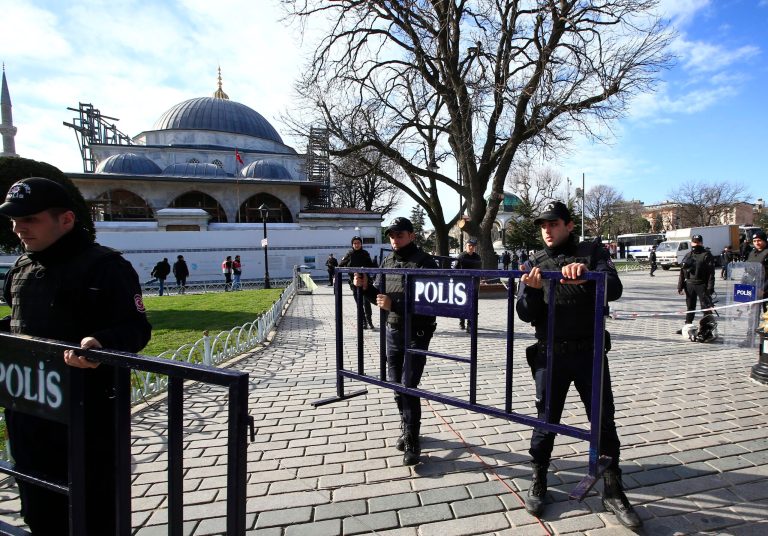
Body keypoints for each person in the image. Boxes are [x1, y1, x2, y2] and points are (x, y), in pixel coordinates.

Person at [0, 177, 152, 535]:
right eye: (14, 221)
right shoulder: (22, 267)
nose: (19, 229)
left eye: (30, 220)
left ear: (65, 219)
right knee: (39, 510)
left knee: (92, 511)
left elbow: (136, 329)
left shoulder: (106, 267)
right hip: (29, 411)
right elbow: (20, 321)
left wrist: (101, 344)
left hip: (86, 417)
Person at [516, 201, 640, 528]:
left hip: (589, 354)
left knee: (603, 421)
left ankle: (613, 489)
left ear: (569, 225)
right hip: (550, 355)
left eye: (554, 223)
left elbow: (614, 287)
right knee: (545, 421)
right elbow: (525, 313)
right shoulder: (534, 263)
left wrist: (588, 275)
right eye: (543, 224)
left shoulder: (592, 252)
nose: (547, 229)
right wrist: (529, 291)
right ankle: (539, 479)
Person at [353, 217, 438, 466]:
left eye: (399, 235)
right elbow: (380, 298)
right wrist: (366, 287)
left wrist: (395, 305)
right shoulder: (388, 261)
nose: (394, 239)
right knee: (396, 384)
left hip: (417, 332)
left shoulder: (424, 262)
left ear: (412, 236)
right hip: (392, 330)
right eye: (391, 235)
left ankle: (413, 439)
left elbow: (430, 303)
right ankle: (406, 425)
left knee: (408, 385)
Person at [677, 234, 715, 334]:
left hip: (702, 284)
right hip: (689, 284)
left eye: (698, 242)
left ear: (701, 243)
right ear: (691, 243)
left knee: (705, 307)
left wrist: (710, 287)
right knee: (690, 306)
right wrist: (680, 286)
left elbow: (711, 273)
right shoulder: (688, 254)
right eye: (694, 242)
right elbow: (682, 271)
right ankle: (687, 326)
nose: (696, 244)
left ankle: (706, 328)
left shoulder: (706, 255)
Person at [339, 236, 376, 329]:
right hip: (354, 283)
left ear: (361, 244)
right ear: (352, 244)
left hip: (365, 283)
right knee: (359, 304)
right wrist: (351, 271)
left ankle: (369, 321)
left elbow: (371, 266)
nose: (356, 245)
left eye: (358, 243)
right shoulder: (349, 254)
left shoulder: (365, 253)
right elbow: (340, 265)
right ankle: (363, 322)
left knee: (366, 303)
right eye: (354, 243)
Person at [454, 237, 482, 332]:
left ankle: (470, 324)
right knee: (463, 304)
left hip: (474, 284)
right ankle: (461, 321)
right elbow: (455, 270)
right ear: (466, 246)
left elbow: (479, 271)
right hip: (462, 284)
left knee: (473, 304)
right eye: (469, 246)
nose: (471, 248)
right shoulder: (461, 257)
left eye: (473, 246)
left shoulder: (477, 257)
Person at [746, 230, 768, 313]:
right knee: (753, 313)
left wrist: (763, 289)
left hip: (765, 289)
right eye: (754, 241)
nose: (757, 243)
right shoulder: (752, 253)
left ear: (764, 240)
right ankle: (752, 326)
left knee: (766, 314)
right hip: (753, 288)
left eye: (759, 240)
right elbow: (747, 271)